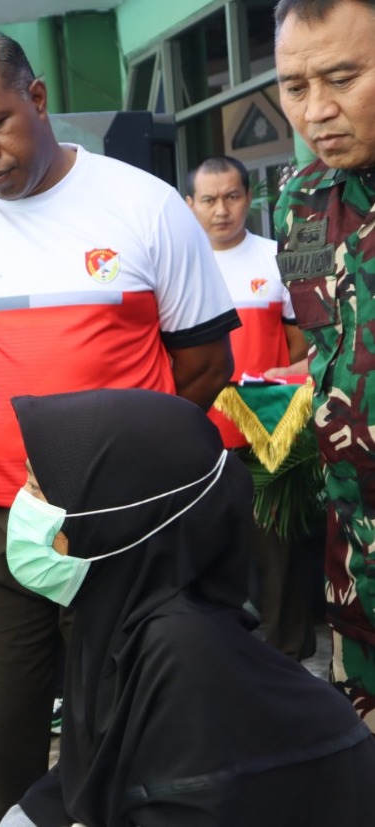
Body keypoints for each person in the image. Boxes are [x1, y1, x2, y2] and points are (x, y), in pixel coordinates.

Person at [0, 30, 239, 827]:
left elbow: (202, 366)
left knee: (132, 728)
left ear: (37, 97)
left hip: (123, 527)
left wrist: (113, 468)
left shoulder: (145, 206)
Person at [0, 387, 375, 827]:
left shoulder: (180, 648)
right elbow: (94, 767)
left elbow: (187, 805)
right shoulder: (120, 613)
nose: (23, 504)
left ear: (113, 513)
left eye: (37, 488)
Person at [273, 0, 375, 729]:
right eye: (294, 86)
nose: (316, 111)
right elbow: (323, 343)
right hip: (355, 564)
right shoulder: (301, 202)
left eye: (341, 78)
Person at [185, 154, 315, 660]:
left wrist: (284, 378)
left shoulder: (276, 257)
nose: (222, 210)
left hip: (269, 428)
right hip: (199, 431)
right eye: (209, 199)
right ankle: (222, 662)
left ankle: (290, 660)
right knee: (206, 553)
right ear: (190, 204)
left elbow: (302, 344)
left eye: (232, 196)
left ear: (248, 198)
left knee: (279, 556)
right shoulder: (178, 264)